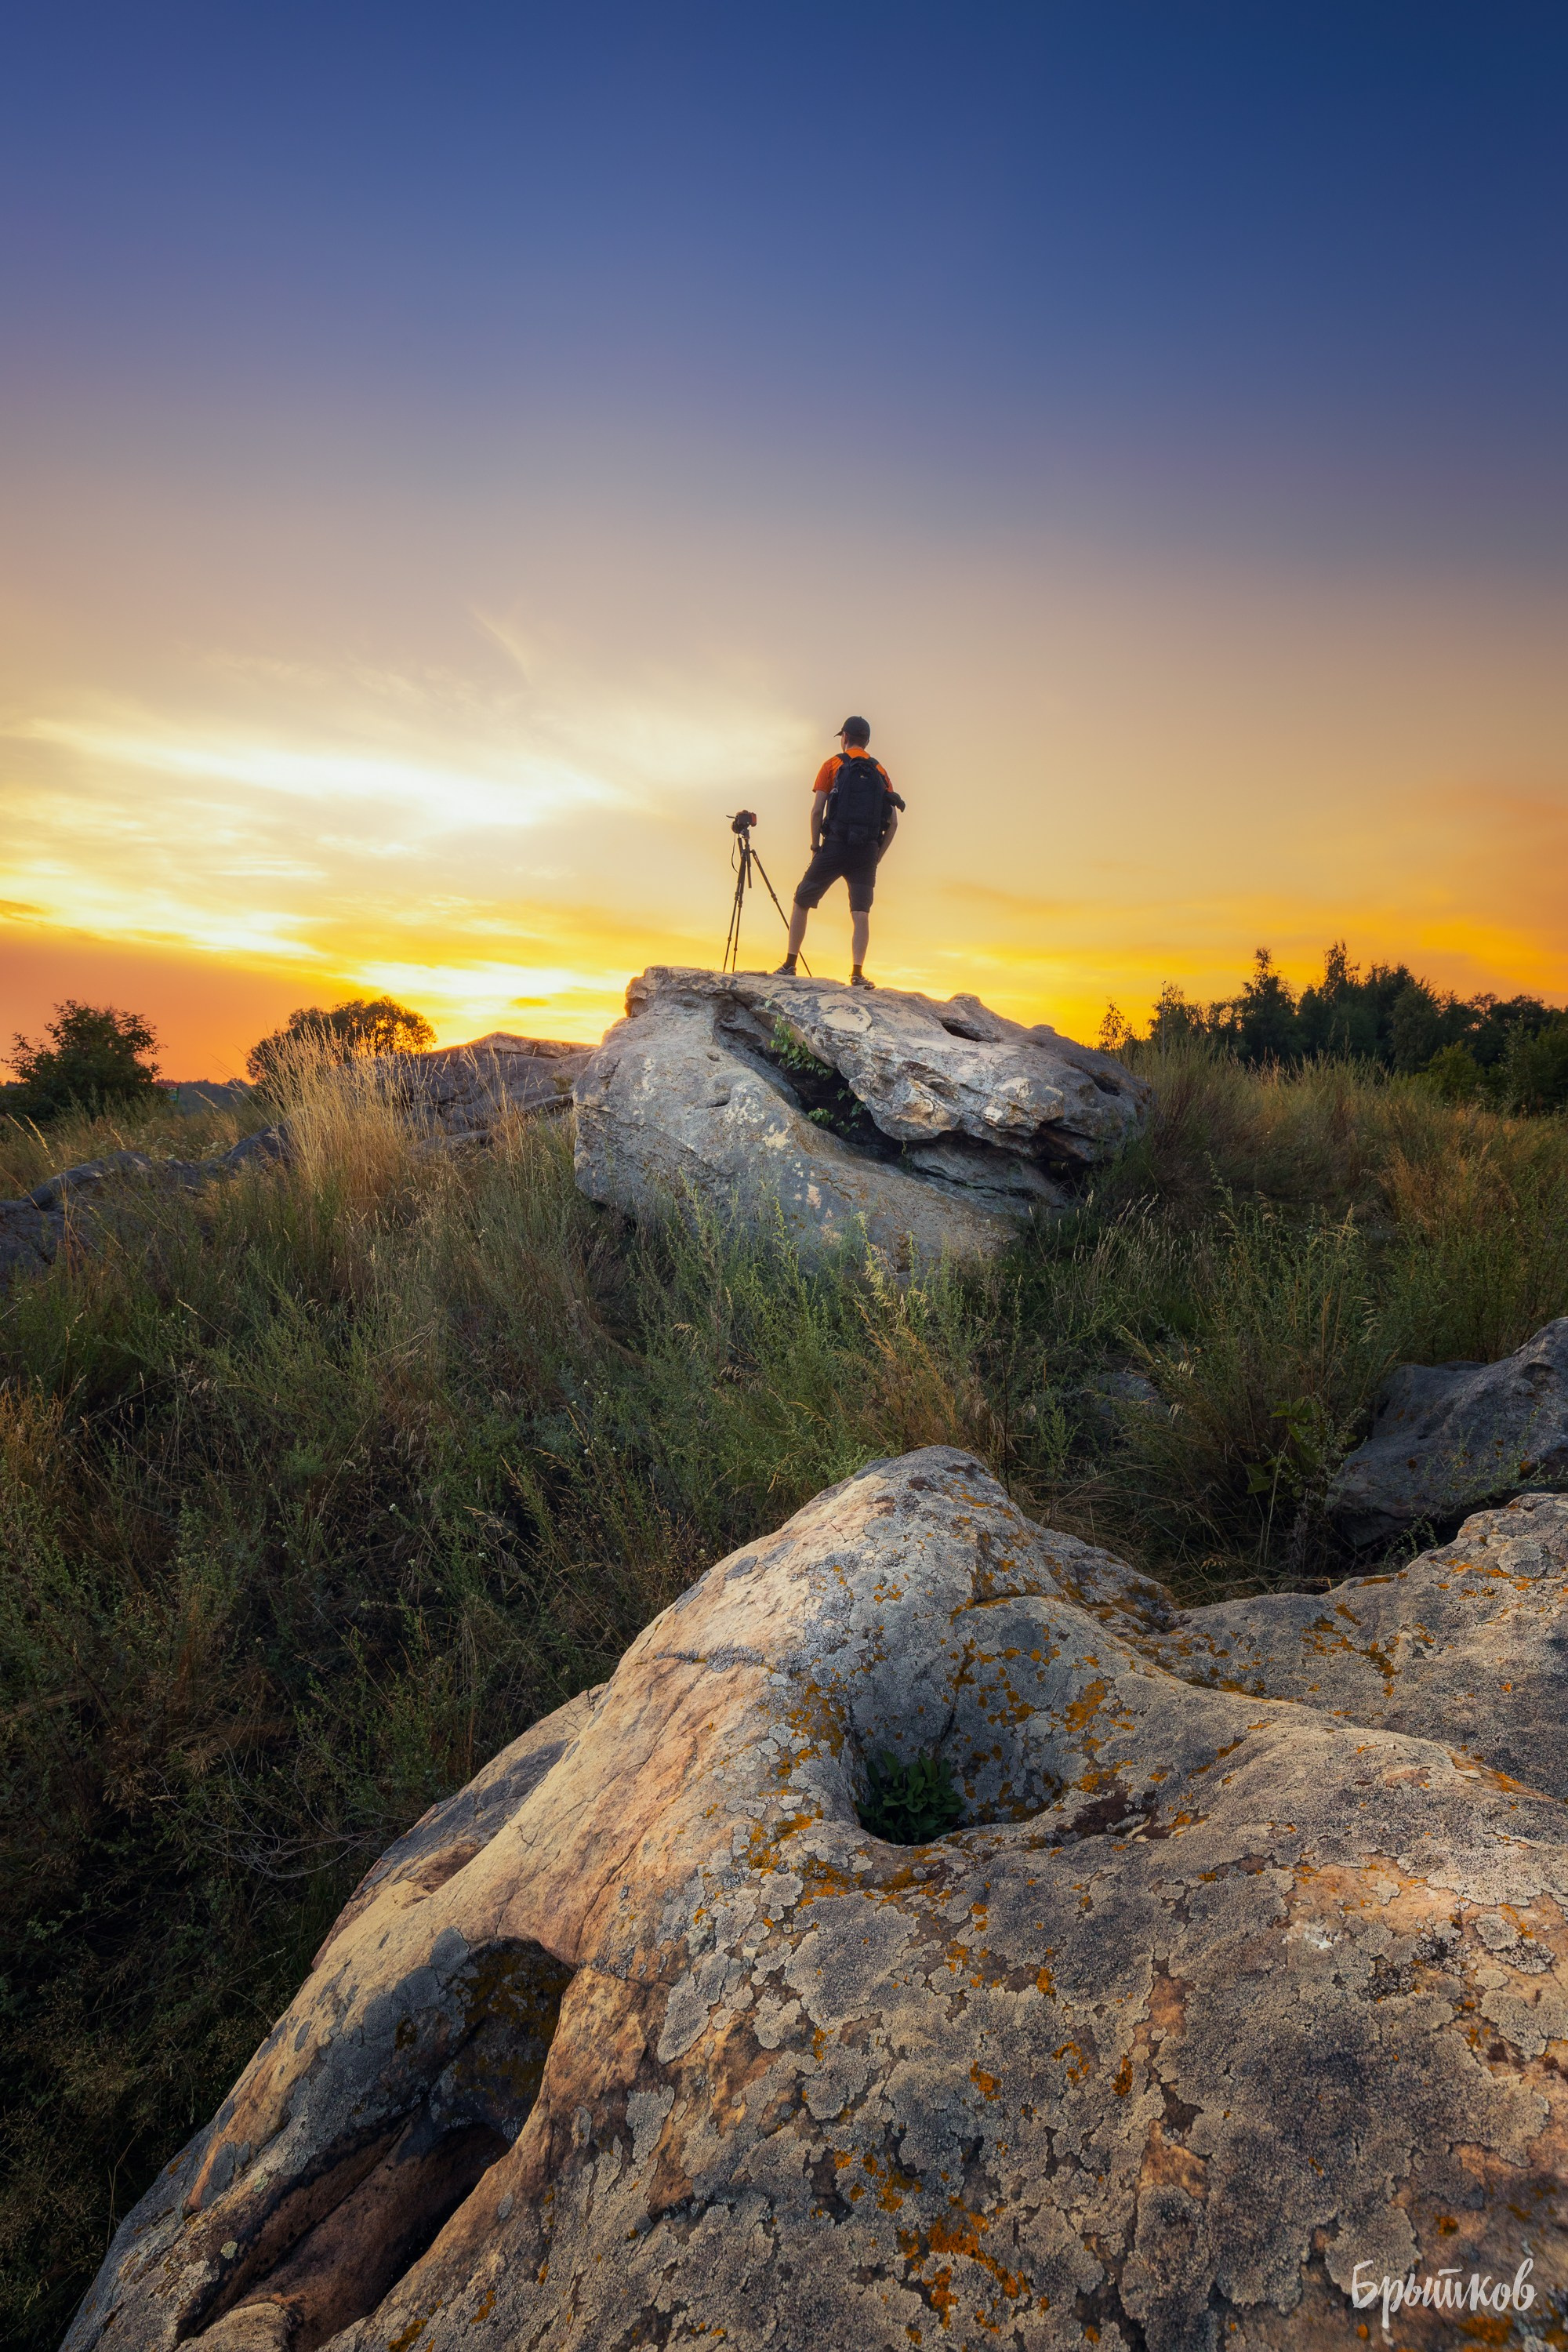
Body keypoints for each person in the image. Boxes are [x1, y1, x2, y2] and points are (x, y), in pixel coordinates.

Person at [775, 717, 903, 987]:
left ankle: (789, 965)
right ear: (866, 740)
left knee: (801, 900)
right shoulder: (881, 771)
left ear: (845, 737)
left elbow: (816, 810)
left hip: (835, 844)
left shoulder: (832, 764)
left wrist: (815, 847)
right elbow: (894, 823)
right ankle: (857, 974)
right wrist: (876, 857)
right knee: (861, 912)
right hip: (866, 851)